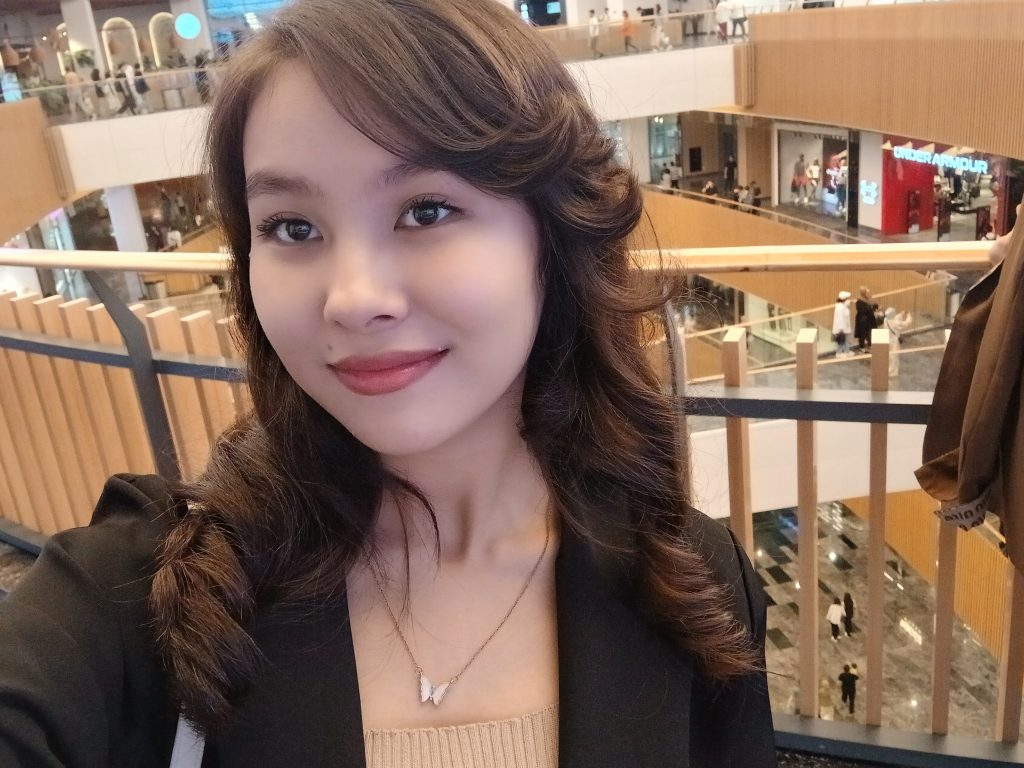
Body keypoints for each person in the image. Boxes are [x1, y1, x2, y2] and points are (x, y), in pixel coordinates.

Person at [0, 0, 775, 765]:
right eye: (293, 227)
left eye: (426, 209)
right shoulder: (134, 598)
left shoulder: (691, 585)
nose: (353, 298)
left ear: (553, 234)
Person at [883, 306, 913, 377]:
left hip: (887, 339)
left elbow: (895, 317)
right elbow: (906, 323)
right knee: (894, 356)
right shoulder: (895, 323)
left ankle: (889, 369)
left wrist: (902, 313)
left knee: (889, 355)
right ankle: (892, 371)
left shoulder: (886, 319)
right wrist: (909, 315)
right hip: (894, 340)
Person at [854, 286, 878, 352]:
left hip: (868, 321)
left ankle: (870, 345)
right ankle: (862, 347)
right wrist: (872, 309)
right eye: (867, 292)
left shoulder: (868, 300)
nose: (869, 293)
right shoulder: (859, 302)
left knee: (869, 333)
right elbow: (863, 311)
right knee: (863, 334)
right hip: (863, 321)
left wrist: (875, 307)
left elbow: (873, 306)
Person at [832, 290, 852, 357]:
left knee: (845, 340)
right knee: (841, 340)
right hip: (841, 328)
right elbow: (840, 319)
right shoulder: (840, 308)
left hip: (844, 326)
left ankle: (847, 351)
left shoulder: (842, 306)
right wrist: (841, 329)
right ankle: (839, 353)